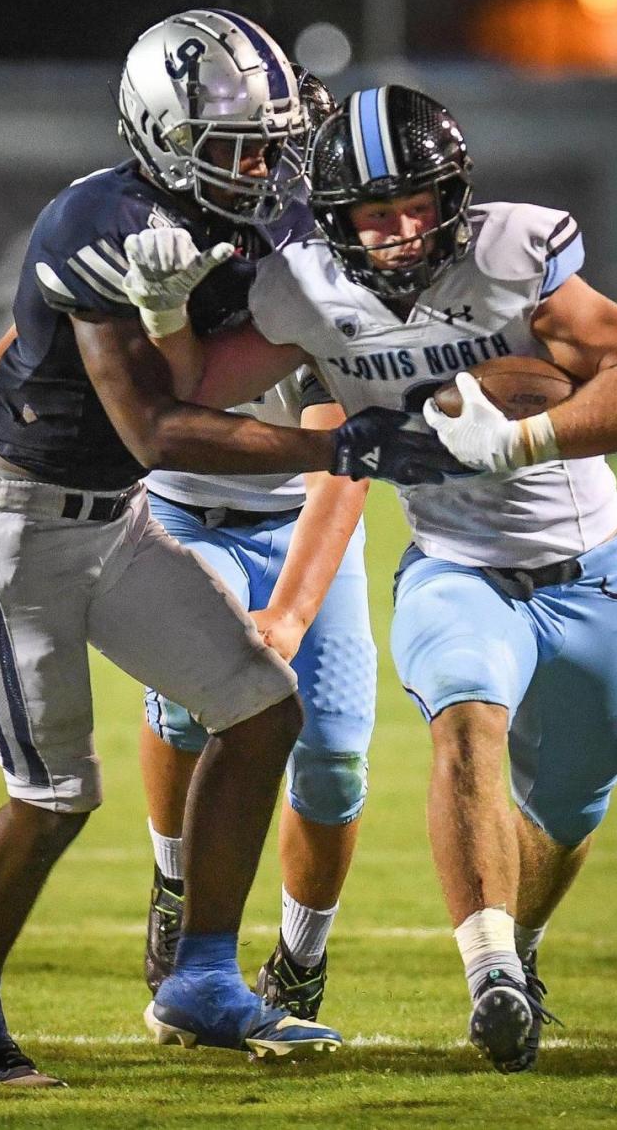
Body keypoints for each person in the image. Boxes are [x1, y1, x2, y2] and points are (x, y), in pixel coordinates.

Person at [0, 18, 446, 1088]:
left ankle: (199, 972)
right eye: (237, 146)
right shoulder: (94, 223)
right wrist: (331, 443)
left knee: (264, 709)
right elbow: (157, 427)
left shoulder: (264, 210)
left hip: (114, 521)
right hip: (16, 528)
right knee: (54, 796)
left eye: (269, 145)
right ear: (162, 134)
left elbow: (246, 356)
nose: (262, 168)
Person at [128, 84, 617, 1073]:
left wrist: (523, 437)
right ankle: (491, 979)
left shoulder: (517, 261)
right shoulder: (307, 288)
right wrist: (166, 314)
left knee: (573, 800)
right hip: (455, 568)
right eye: (371, 214)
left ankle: (519, 944)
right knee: (463, 723)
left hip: (593, 569)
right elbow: (191, 390)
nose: (396, 232)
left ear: (453, 197)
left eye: (416, 205)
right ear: (335, 220)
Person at [137, 66, 375, 1023]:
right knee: (192, 710)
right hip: (185, 505)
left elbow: (344, 457)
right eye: (257, 151)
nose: (272, 172)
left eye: (286, 152)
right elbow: (26, 344)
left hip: (299, 514)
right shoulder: (157, 232)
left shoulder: (334, 266)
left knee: (336, 759)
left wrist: (293, 611)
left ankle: (301, 960)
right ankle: (174, 888)